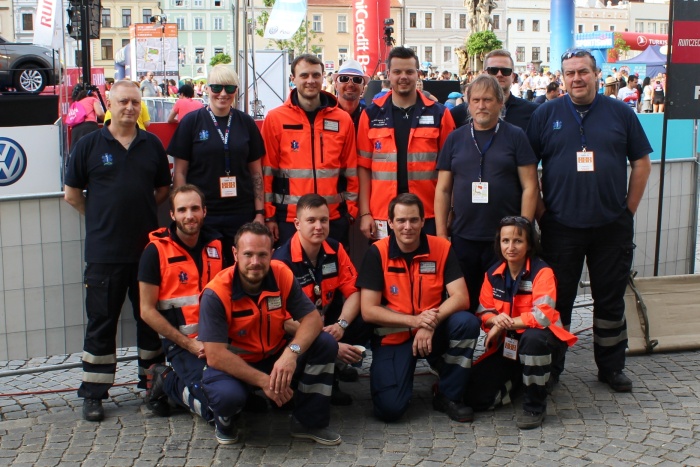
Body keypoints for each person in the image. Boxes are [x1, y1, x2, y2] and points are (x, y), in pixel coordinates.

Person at [526, 48, 652, 393]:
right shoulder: (546, 114)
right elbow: (527, 170)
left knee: (609, 299)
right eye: (570, 73)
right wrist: (542, 214)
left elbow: (642, 163)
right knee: (558, 300)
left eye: (583, 71)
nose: (577, 78)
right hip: (561, 227)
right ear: (562, 78)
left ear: (597, 74)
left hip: (611, 226)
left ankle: (611, 367)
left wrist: (628, 210)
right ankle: (552, 367)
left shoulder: (621, 113)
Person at [63, 80, 171, 421]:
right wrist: (99, 218)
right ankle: (94, 393)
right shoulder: (88, 145)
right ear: (109, 102)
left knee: (149, 322)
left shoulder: (151, 145)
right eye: (123, 101)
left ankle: (153, 386)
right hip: (104, 253)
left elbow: (162, 190)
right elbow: (72, 194)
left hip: (146, 253)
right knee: (101, 323)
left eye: (135, 102)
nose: (129, 108)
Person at [197, 222, 342, 445]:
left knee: (325, 343)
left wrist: (291, 353)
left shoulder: (281, 273)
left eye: (262, 255)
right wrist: (264, 381)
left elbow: (312, 319)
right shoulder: (216, 293)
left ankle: (309, 421)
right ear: (235, 254)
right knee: (228, 397)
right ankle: (225, 420)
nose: (255, 262)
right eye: (248, 254)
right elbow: (215, 355)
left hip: (275, 358)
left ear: (272, 254)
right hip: (234, 365)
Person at [357, 194, 481, 423]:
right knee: (390, 410)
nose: (408, 227)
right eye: (401, 220)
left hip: (434, 332)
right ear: (390, 223)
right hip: (395, 337)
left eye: (414, 220)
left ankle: (448, 394)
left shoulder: (441, 248)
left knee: (467, 322)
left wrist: (429, 322)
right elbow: (368, 310)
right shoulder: (377, 252)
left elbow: (461, 297)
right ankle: (430, 366)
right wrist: (415, 322)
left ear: (424, 221)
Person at [435, 74, 539, 313]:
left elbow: (530, 186)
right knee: (464, 305)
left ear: (500, 103)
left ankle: (501, 350)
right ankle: (464, 349)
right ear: (468, 103)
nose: (482, 106)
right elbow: (442, 189)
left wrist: (523, 229)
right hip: (463, 237)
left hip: (504, 241)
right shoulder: (455, 138)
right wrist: (442, 235)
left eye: (488, 100)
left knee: (504, 306)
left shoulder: (515, 136)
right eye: (476, 100)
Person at [463, 216, 577, 429]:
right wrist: (494, 319)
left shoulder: (542, 272)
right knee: (474, 398)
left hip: (544, 341)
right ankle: (520, 381)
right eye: (505, 241)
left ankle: (535, 405)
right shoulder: (493, 274)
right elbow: (483, 312)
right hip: (508, 347)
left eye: (518, 241)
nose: (511, 246)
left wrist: (503, 324)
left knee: (533, 340)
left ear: (529, 244)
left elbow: (542, 317)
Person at [273, 194, 372, 406]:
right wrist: (328, 341)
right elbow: (282, 321)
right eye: (311, 220)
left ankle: (333, 371)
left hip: (327, 322)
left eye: (324, 220)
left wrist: (341, 325)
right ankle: (303, 384)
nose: (319, 226)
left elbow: (355, 292)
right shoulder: (282, 262)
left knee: (366, 317)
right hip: (293, 335)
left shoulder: (335, 249)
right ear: (297, 224)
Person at [138, 185, 223, 423]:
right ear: (172, 215)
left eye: (195, 208)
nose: (189, 215)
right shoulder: (155, 252)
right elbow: (146, 311)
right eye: (182, 209)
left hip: (217, 341)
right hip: (182, 345)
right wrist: (189, 344)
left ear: (204, 211)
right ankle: (167, 379)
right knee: (216, 409)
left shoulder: (216, 246)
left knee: (239, 395)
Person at [169, 65, 265, 266]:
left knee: (240, 270)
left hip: (241, 213)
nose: (223, 94)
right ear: (207, 89)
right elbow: (180, 172)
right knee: (207, 271)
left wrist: (259, 213)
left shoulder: (246, 123)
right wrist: (183, 211)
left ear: (236, 91)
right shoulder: (191, 122)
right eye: (216, 88)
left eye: (229, 89)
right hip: (204, 215)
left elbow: (256, 173)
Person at [357, 47, 456, 240]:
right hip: (383, 214)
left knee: (427, 267)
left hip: (427, 214)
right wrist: (365, 213)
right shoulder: (370, 115)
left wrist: (450, 209)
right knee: (386, 268)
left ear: (418, 74)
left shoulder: (440, 114)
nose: (404, 77)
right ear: (388, 75)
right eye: (397, 72)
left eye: (409, 71)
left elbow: (450, 169)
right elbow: (363, 168)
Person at [262, 54, 358, 247]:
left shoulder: (342, 119)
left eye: (316, 75)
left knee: (333, 274)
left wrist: (351, 212)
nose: (311, 81)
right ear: (293, 79)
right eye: (304, 75)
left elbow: (351, 170)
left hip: (332, 219)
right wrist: (269, 216)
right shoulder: (275, 119)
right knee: (290, 276)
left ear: (324, 77)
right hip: (290, 220)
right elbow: (267, 172)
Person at [451, 50, 537, 131]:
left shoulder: (532, 112)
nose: (499, 74)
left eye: (505, 71)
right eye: (493, 70)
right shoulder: (459, 114)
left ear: (513, 76)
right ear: (484, 74)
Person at [332, 58, 370, 132]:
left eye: (357, 80)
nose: (350, 84)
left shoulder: (370, 116)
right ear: (336, 85)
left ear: (363, 87)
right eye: (344, 79)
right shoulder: (325, 114)